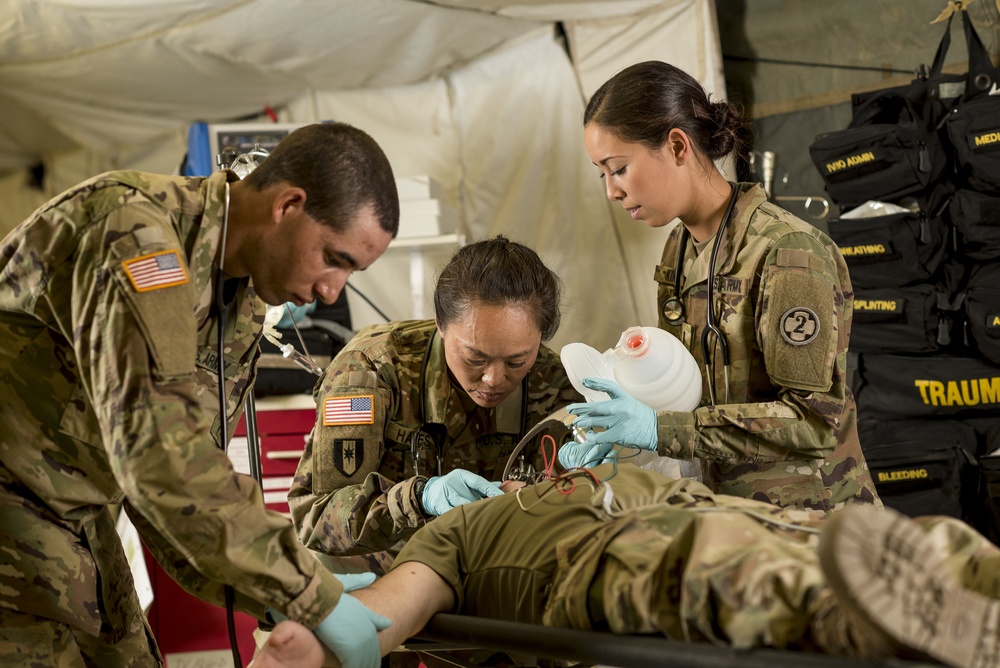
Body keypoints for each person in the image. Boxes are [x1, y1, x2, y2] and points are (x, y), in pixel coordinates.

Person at [0, 122, 400, 668]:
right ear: (288, 205)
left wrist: (280, 590)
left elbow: (192, 481)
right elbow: (160, 456)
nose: (333, 291)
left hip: (78, 518)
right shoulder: (135, 233)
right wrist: (305, 591)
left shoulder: (242, 298)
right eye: (335, 258)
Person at [252, 463, 1000, 668]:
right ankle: (855, 626)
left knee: (879, 537)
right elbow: (387, 613)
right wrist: (316, 641)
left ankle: (974, 594)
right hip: (595, 561)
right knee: (716, 568)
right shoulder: (450, 538)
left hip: (702, 501)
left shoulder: (580, 471)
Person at [562, 60, 880, 512]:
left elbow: (813, 423)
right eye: (602, 174)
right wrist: (621, 424)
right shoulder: (681, 250)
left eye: (618, 168)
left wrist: (658, 429)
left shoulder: (788, 253)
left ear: (676, 146)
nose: (611, 191)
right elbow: (682, 386)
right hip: (730, 517)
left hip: (812, 526)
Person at [288, 235, 584, 574]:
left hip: (483, 572)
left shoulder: (552, 379)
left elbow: (575, 504)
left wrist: (541, 497)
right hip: (373, 573)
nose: (493, 379)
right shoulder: (369, 373)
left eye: (517, 361)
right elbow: (318, 517)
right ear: (440, 324)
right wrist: (418, 499)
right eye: (474, 357)